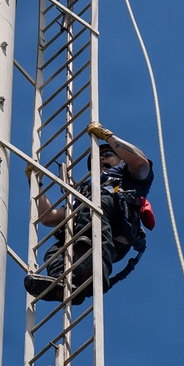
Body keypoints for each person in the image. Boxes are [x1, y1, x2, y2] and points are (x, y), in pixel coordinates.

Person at [24, 122, 154, 304]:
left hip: (117, 224)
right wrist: (36, 184)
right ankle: (64, 285)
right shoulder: (86, 193)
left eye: (107, 154)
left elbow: (140, 164)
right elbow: (48, 217)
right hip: (91, 227)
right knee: (55, 250)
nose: (101, 158)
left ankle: (90, 269)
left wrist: (108, 136)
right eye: (96, 157)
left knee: (94, 205)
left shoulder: (128, 175)